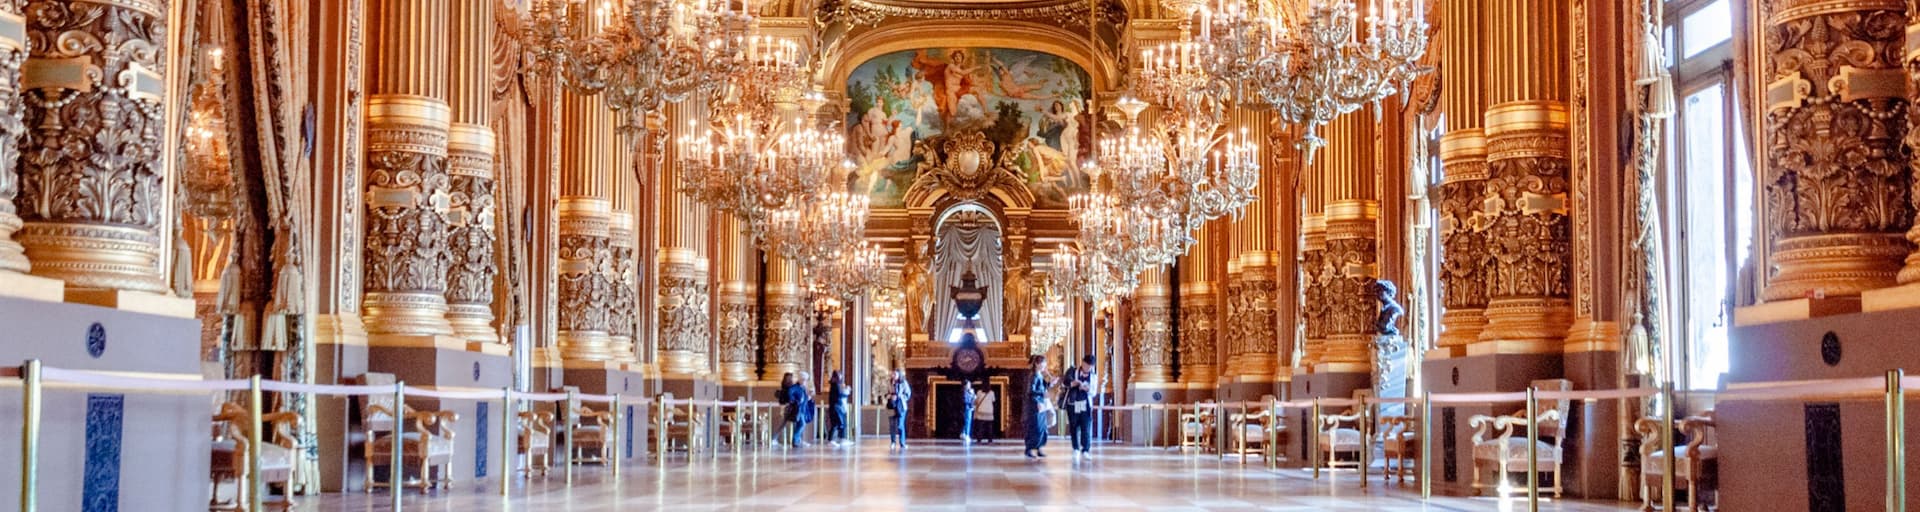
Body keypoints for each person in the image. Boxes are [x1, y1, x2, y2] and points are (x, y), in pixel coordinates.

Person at [1063, 355, 1096, 459]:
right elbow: (1065, 383)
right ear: (1082, 363)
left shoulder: (1093, 376)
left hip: (1085, 404)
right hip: (1073, 403)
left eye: (1090, 366)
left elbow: (1094, 392)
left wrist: (1087, 389)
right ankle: (1076, 448)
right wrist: (1074, 383)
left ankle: (1085, 449)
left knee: (1086, 426)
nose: (1087, 368)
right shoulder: (1073, 372)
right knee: (1074, 426)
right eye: (1086, 365)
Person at [1025, 355, 1051, 459]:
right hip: (1035, 404)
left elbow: (1042, 388)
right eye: (1043, 363)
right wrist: (1042, 393)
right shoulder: (1034, 376)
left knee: (1042, 427)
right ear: (1037, 364)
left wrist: (1049, 384)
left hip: (1041, 403)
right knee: (1035, 427)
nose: (1044, 365)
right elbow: (1030, 391)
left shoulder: (1040, 375)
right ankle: (1029, 448)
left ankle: (1039, 447)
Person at [786, 372, 814, 448]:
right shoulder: (795, 387)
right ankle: (795, 439)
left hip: (802, 409)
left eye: (806, 380)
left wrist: (808, 398)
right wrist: (795, 401)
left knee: (799, 424)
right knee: (802, 424)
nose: (805, 382)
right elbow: (790, 394)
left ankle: (797, 441)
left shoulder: (803, 388)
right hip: (798, 409)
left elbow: (804, 397)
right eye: (804, 380)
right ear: (800, 379)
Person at [888, 370, 912, 451]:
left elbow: (908, 393)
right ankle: (893, 442)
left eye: (895, 374)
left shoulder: (903, 382)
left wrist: (899, 397)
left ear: (899, 375)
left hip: (901, 406)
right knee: (892, 425)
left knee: (900, 425)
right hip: (892, 405)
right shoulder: (890, 383)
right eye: (892, 374)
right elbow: (886, 392)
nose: (893, 375)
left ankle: (902, 443)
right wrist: (889, 396)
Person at [827, 371, 852, 447]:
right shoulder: (835, 385)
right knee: (839, 423)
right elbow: (839, 396)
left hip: (835, 407)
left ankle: (835, 439)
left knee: (836, 424)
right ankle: (837, 439)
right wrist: (847, 392)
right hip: (837, 408)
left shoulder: (834, 385)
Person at [775, 372, 795, 446]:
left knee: (785, 424)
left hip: (789, 406)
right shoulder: (787, 387)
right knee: (782, 424)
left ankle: (796, 439)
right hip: (786, 406)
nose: (791, 379)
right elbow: (785, 397)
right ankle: (774, 438)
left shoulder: (789, 386)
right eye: (790, 377)